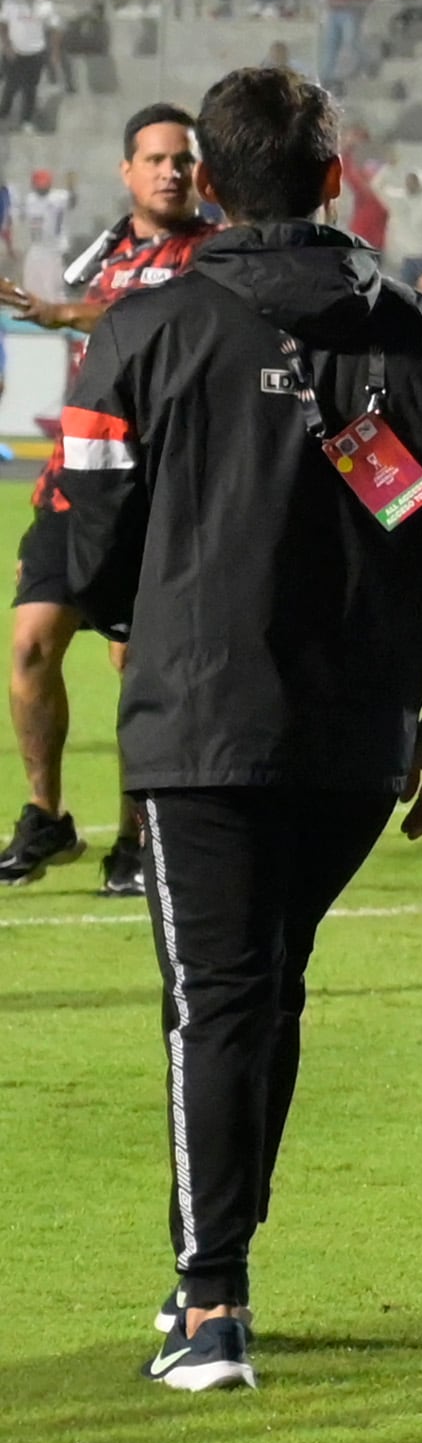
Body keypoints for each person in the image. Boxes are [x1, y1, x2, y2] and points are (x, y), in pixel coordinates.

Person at [61, 66, 422, 1390]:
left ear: (205, 180)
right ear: (335, 177)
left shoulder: (142, 331)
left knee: (214, 1001)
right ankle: (215, 1262)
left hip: (198, 719)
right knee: (270, 984)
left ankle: (210, 1307)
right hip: (358, 730)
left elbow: (87, 540)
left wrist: (157, 597)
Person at [0, 105, 209, 894]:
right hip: (71, 483)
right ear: (127, 170)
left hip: (155, 493)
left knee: (138, 667)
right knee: (28, 649)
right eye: (154, 158)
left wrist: (63, 311)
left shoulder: (216, 254)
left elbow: (157, 325)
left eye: (182, 160)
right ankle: (46, 815)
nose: (169, 171)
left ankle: (134, 837)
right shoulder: (108, 248)